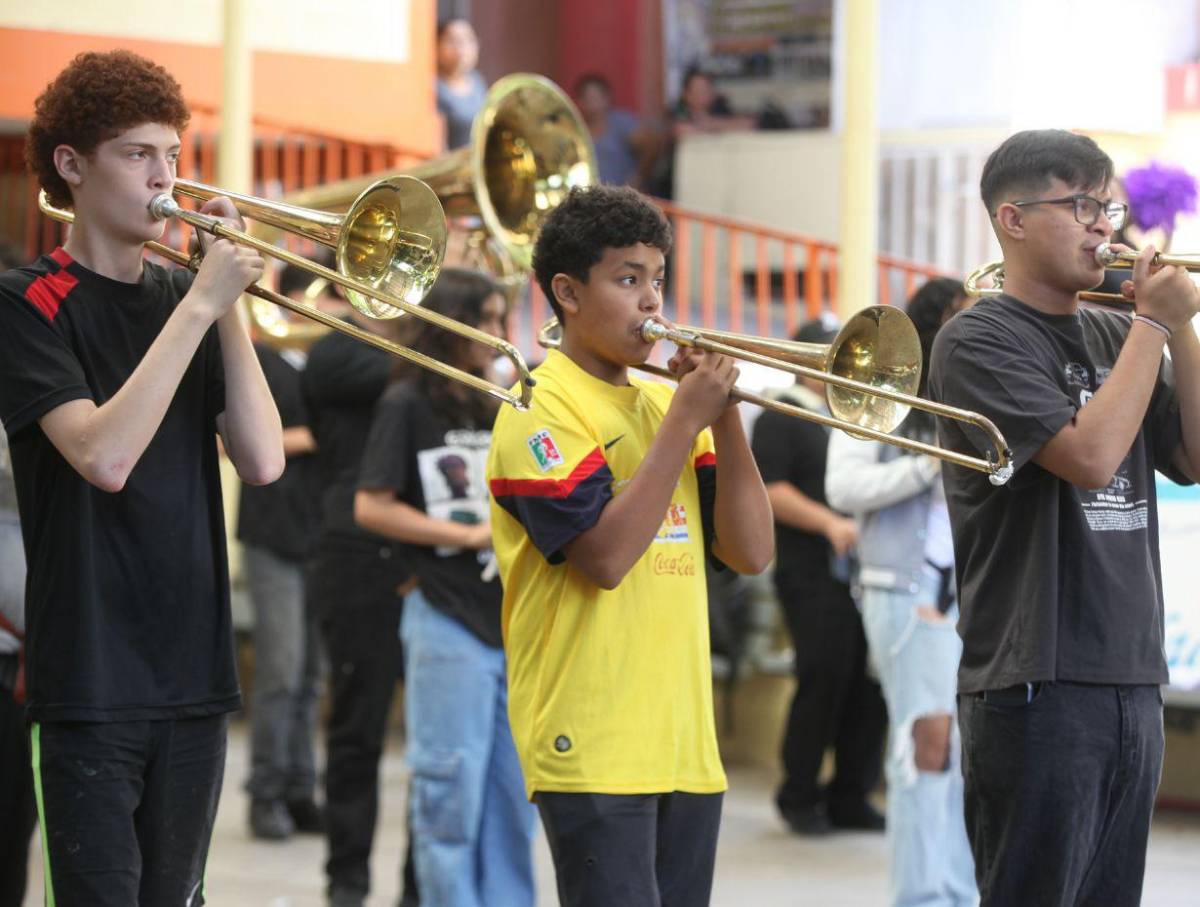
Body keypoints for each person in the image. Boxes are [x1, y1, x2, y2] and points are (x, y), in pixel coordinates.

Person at [0, 50, 283, 905]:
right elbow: (103, 456)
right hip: (89, 678)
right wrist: (201, 303)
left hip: (191, 669)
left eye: (173, 156)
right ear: (73, 166)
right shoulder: (26, 302)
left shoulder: (181, 296)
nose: (165, 178)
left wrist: (222, 302)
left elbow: (264, 459)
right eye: (137, 155)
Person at [929, 128, 1200, 906]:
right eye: (1079, 204)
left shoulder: (1121, 331)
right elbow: (1088, 456)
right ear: (1012, 220)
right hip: (1035, 676)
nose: (1102, 225)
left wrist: (1179, 324)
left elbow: (1195, 459)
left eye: (1105, 205)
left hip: (1131, 670)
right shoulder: (978, 337)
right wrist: (1153, 326)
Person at [486, 184, 774, 907]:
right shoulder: (538, 404)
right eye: (627, 279)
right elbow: (606, 559)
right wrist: (683, 422)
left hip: (683, 741)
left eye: (657, 279)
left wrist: (727, 418)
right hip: (592, 742)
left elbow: (751, 552)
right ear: (567, 292)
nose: (652, 302)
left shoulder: (661, 403)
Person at [355, 268, 537, 907]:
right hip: (445, 617)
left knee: (514, 799)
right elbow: (371, 507)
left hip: (512, 621)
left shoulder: (506, 401)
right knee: (448, 796)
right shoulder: (407, 403)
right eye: (483, 320)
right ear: (450, 323)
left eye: (499, 320)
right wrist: (465, 537)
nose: (495, 334)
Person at [826, 279, 977, 906]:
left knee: (962, 753)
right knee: (925, 742)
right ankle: (922, 896)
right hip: (904, 592)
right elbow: (842, 488)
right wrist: (926, 464)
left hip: (968, 599)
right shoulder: (881, 398)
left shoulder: (971, 397)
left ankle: (960, 891)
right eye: (963, 322)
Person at [750, 319, 888, 836]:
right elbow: (772, 488)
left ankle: (851, 794)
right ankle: (800, 794)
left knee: (866, 684)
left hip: (861, 568)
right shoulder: (781, 412)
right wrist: (830, 523)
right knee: (823, 676)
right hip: (810, 569)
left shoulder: (853, 414)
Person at [301, 283, 414, 907]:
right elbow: (390, 374)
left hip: (429, 552)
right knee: (356, 729)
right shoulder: (334, 351)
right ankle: (347, 880)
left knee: (438, 738)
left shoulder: (435, 362)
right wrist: (426, 334)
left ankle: (422, 888)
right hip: (355, 550)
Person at [238, 263, 324, 841]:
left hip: (318, 535)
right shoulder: (261, 361)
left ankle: (299, 789)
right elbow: (232, 441)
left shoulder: (326, 366)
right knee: (280, 671)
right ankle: (264, 793)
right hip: (272, 533)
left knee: (311, 676)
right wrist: (315, 437)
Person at [574, 73, 660, 189]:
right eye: (587, 99)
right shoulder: (576, 128)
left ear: (606, 97)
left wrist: (639, 177)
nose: (592, 104)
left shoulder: (621, 124)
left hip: (619, 197)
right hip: (588, 197)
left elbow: (652, 144)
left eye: (596, 98)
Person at [436, 18, 487, 151]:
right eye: (453, 41)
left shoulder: (477, 80)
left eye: (468, 40)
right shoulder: (434, 87)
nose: (461, 48)